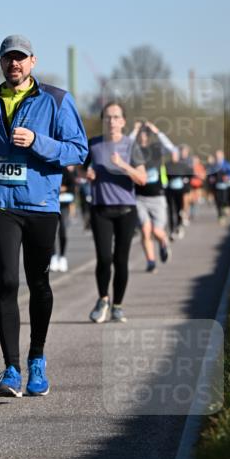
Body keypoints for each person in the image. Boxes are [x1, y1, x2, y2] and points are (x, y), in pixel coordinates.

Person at [0, 35, 88, 398]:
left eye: (21, 59)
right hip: (1, 203)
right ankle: (11, 369)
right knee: (6, 282)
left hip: (40, 206)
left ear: (33, 62)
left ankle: (37, 359)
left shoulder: (56, 100)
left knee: (38, 283)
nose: (14, 65)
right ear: (1, 62)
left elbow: (78, 151)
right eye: (9, 59)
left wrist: (38, 141)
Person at [87, 102, 147, 323]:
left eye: (115, 117)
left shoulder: (131, 147)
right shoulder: (93, 144)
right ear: (103, 121)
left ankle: (118, 306)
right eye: (107, 117)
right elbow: (79, 171)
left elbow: (142, 179)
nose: (111, 121)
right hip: (100, 209)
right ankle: (103, 299)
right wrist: (87, 175)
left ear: (123, 121)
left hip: (125, 211)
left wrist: (123, 165)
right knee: (104, 258)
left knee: (121, 260)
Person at [129, 121, 174, 272]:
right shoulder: (134, 150)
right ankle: (151, 261)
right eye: (140, 134)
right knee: (145, 229)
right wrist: (134, 130)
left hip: (158, 197)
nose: (142, 136)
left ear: (148, 136)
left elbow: (172, 149)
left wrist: (157, 131)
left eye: (144, 133)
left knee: (157, 231)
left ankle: (164, 242)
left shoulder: (156, 148)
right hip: (140, 197)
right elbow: (123, 147)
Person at [50, 165, 77, 272]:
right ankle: (53, 256)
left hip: (64, 205)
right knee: (51, 232)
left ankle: (62, 256)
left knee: (63, 231)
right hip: (51, 205)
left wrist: (61, 188)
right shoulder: (49, 168)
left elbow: (72, 187)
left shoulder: (65, 171)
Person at [209, 149, 230, 222]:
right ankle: (220, 216)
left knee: (224, 200)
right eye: (217, 156)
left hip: (225, 186)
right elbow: (210, 174)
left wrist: (228, 177)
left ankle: (225, 208)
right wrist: (211, 178)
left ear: (222, 156)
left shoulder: (227, 164)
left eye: (219, 155)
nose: (218, 157)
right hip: (216, 186)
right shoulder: (214, 165)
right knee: (218, 201)